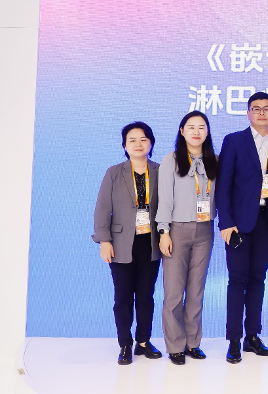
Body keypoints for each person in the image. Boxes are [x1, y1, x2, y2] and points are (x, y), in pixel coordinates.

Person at [215, 91, 268, 363]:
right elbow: (223, 185)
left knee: (258, 278)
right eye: (256, 108)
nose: (261, 113)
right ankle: (234, 340)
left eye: (266, 108)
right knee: (237, 280)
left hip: (267, 222)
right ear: (248, 114)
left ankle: (253, 336)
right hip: (238, 224)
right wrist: (226, 222)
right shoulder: (234, 141)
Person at [92, 122, 162, 365]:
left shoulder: (161, 171)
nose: (138, 144)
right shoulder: (114, 172)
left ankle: (143, 341)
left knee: (146, 296)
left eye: (143, 139)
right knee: (123, 298)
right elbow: (102, 208)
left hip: (150, 242)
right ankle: (125, 343)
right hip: (121, 243)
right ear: (124, 145)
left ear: (151, 143)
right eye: (132, 140)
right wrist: (104, 240)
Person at [156, 111, 218, 365]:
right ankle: (175, 345)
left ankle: (193, 342)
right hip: (176, 230)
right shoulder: (171, 160)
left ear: (207, 132)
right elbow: (164, 199)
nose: (196, 132)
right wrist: (163, 232)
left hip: (205, 231)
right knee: (173, 292)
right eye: (191, 127)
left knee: (196, 291)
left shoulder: (215, 160)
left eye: (201, 127)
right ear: (182, 131)